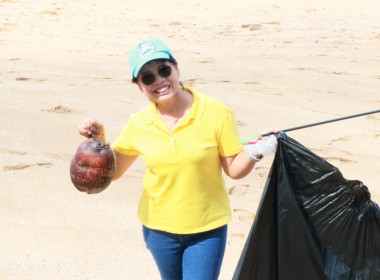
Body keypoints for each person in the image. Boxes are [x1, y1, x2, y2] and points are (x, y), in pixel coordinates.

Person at [77, 38, 279, 280]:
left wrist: (258, 151)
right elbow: (114, 171)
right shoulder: (139, 123)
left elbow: (234, 170)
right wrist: (98, 141)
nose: (159, 80)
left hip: (207, 230)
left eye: (164, 69)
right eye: (147, 77)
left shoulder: (216, 112)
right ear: (139, 86)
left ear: (176, 68)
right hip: (158, 230)